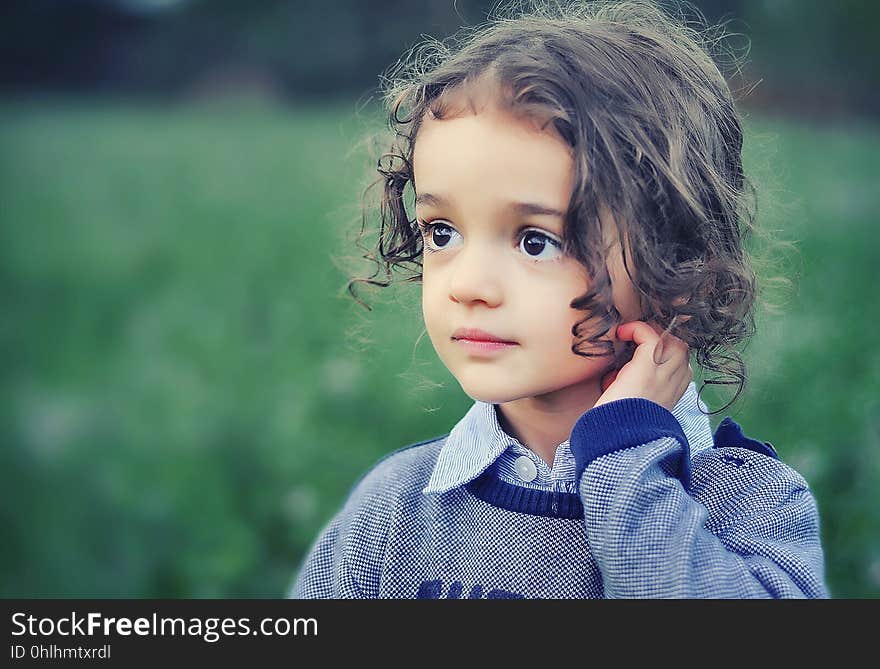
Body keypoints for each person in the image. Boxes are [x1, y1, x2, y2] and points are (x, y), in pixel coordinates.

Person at [289, 0, 828, 598]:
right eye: (442, 233)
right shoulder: (392, 517)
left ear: (680, 264)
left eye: (537, 241)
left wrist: (625, 457)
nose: (467, 285)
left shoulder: (749, 504)